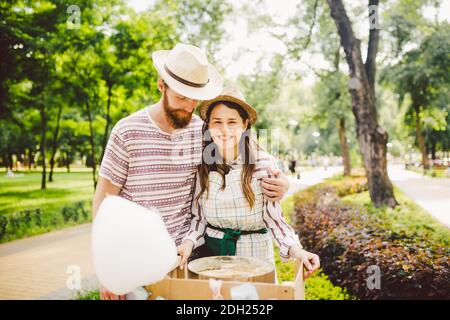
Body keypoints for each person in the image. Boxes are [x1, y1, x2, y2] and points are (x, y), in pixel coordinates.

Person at [93, 44, 291, 300]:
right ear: (161, 85)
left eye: (195, 97)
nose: (189, 106)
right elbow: (104, 202)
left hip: (190, 260)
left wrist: (283, 181)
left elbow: (248, 152)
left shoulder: (202, 130)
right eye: (182, 97)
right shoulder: (126, 132)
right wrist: (107, 268)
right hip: (136, 264)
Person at [177, 87, 320, 280]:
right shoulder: (203, 166)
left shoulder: (262, 165)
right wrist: (188, 243)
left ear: (244, 125)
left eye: (232, 122)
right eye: (217, 122)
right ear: (208, 126)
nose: (224, 130)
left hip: (256, 259)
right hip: (213, 260)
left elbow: (274, 220)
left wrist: (298, 251)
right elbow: (199, 219)